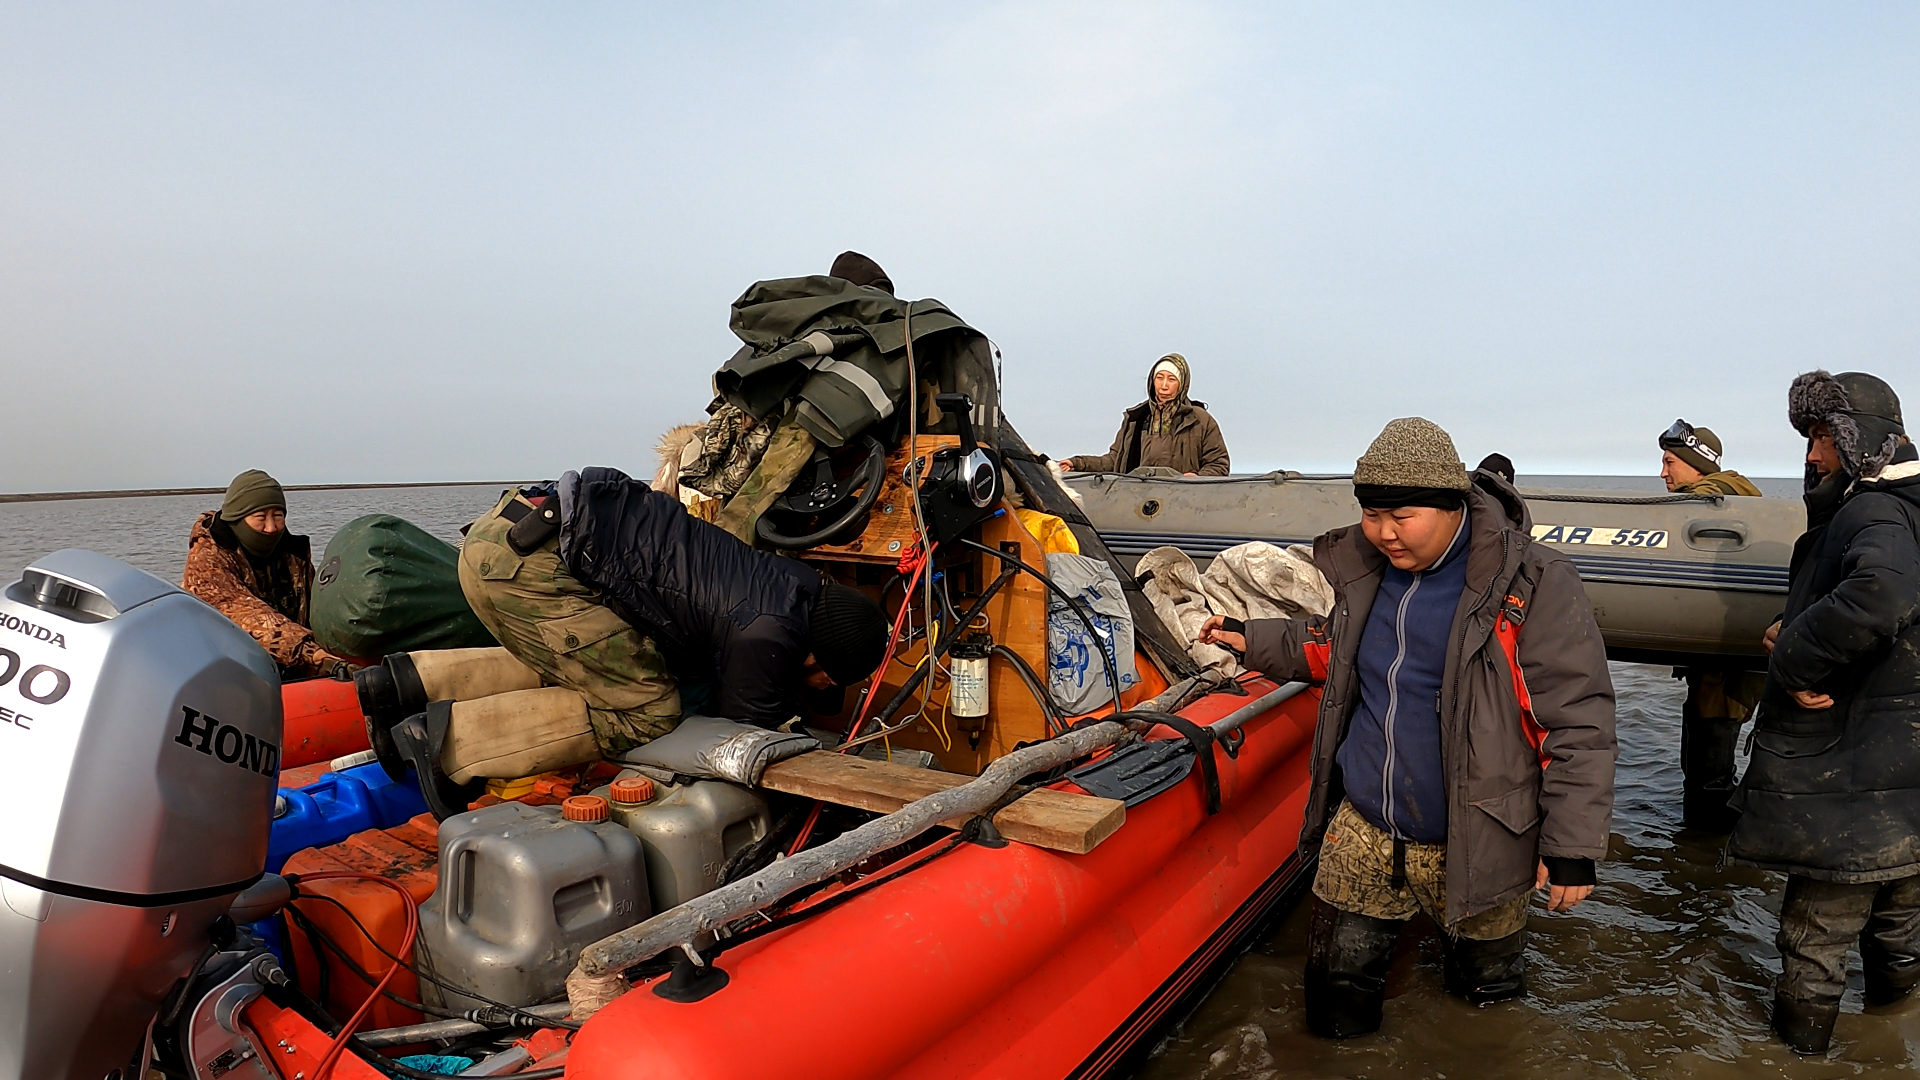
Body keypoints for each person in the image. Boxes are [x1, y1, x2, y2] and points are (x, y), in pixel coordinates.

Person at [1198, 417, 1616, 1038]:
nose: (1383, 532)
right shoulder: (1368, 569)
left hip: (1483, 834)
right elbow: (1332, 647)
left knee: (1484, 1009)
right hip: (1365, 826)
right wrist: (1246, 636)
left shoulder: (1537, 582)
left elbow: (1577, 719)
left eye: (1402, 516)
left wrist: (1573, 849)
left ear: (1453, 505)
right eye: (1371, 514)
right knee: (1333, 1009)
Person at [1729, 370, 1920, 1056]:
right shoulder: (1912, 507)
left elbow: (1882, 591)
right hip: (1903, 786)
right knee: (1899, 929)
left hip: (1848, 785)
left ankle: (1797, 1060)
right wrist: (1800, 618)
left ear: (1859, 439)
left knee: (1813, 941)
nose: (1811, 457)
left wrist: (1796, 656)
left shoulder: (1870, 511)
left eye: (1821, 437)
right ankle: (1890, 1046)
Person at [458, 467, 889, 755]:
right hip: (526, 571)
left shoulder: (791, 582)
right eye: (828, 679)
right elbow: (746, 738)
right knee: (652, 712)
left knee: (599, 667)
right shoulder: (767, 633)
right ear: (818, 656)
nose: (823, 686)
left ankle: (410, 681)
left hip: (508, 525)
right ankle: (452, 741)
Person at [1652, 420, 1768, 830]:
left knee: (1709, 777)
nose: (1663, 473)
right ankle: (1709, 864)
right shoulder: (1727, 496)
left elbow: (1698, 500)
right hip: (1717, 670)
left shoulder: (1719, 495)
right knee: (1702, 769)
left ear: (1695, 462)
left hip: (1728, 675)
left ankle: (1709, 854)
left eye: (1669, 463)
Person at [182, 469, 351, 678]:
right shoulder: (208, 557)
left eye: (278, 516)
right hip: (235, 672)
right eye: (260, 517)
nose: (271, 528)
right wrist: (311, 653)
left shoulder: (293, 554)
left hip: (297, 668)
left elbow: (317, 609)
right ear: (237, 518)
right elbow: (243, 613)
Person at [1060, 353, 1230, 477]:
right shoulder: (1135, 419)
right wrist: (1077, 464)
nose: (1164, 385)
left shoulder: (1200, 421)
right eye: (1159, 378)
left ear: (1182, 384)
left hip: (1183, 501)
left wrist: (1196, 478)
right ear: (1152, 381)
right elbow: (1114, 461)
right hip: (1139, 502)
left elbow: (1219, 464)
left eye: (1171, 379)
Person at [1658, 419, 1764, 497]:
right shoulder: (1737, 491)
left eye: (1670, 462)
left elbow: (1703, 495)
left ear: (1697, 465)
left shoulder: (1711, 494)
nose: (1663, 474)